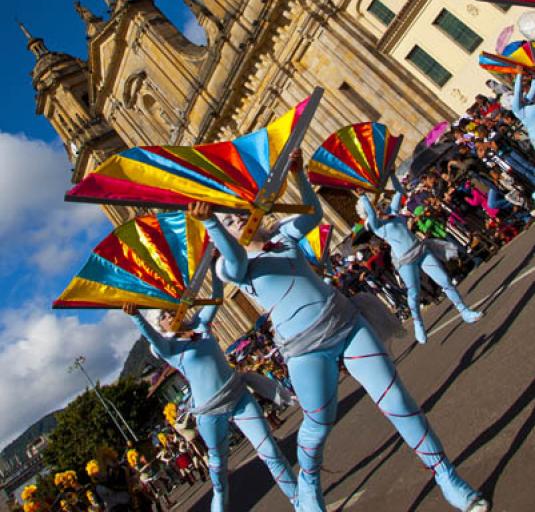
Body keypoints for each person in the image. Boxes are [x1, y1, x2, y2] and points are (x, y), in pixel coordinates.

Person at [191, 150, 489, 512]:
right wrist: (209, 224)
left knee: (397, 400)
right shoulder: (228, 267)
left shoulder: (283, 235)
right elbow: (237, 261)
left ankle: (446, 476)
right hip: (304, 350)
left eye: (235, 212)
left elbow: (313, 214)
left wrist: (299, 176)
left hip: (344, 321)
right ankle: (309, 484)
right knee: (318, 425)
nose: (234, 220)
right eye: (226, 220)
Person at [123, 263, 297, 512]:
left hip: (237, 395)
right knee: (219, 472)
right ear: (159, 326)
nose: (169, 316)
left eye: (169, 311)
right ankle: (219, 504)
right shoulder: (170, 350)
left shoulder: (200, 327)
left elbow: (216, 297)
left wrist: (215, 266)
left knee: (270, 450)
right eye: (162, 317)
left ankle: (300, 501)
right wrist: (137, 317)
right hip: (210, 411)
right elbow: (153, 339)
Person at [358, 174, 482, 345]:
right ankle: (418, 323)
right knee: (414, 293)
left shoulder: (394, 213)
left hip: (421, 251)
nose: (378, 208)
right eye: (374, 209)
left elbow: (399, 191)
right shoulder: (378, 227)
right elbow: (371, 215)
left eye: (378, 206)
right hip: (406, 261)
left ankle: (464, 311)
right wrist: (363, 196)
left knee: (445, 279)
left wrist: (392, 175)